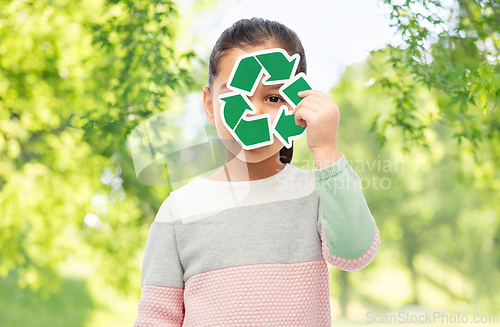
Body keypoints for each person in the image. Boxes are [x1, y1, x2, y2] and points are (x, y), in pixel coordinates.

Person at [133, 17, 380, 326]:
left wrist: (327, 149)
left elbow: (355, 252)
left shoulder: (316, 193)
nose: (255, 112)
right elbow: (157, 316)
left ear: (298, 104)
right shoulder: (178, 210)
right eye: (238, 95)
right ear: (210, 105)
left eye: (274, 98)